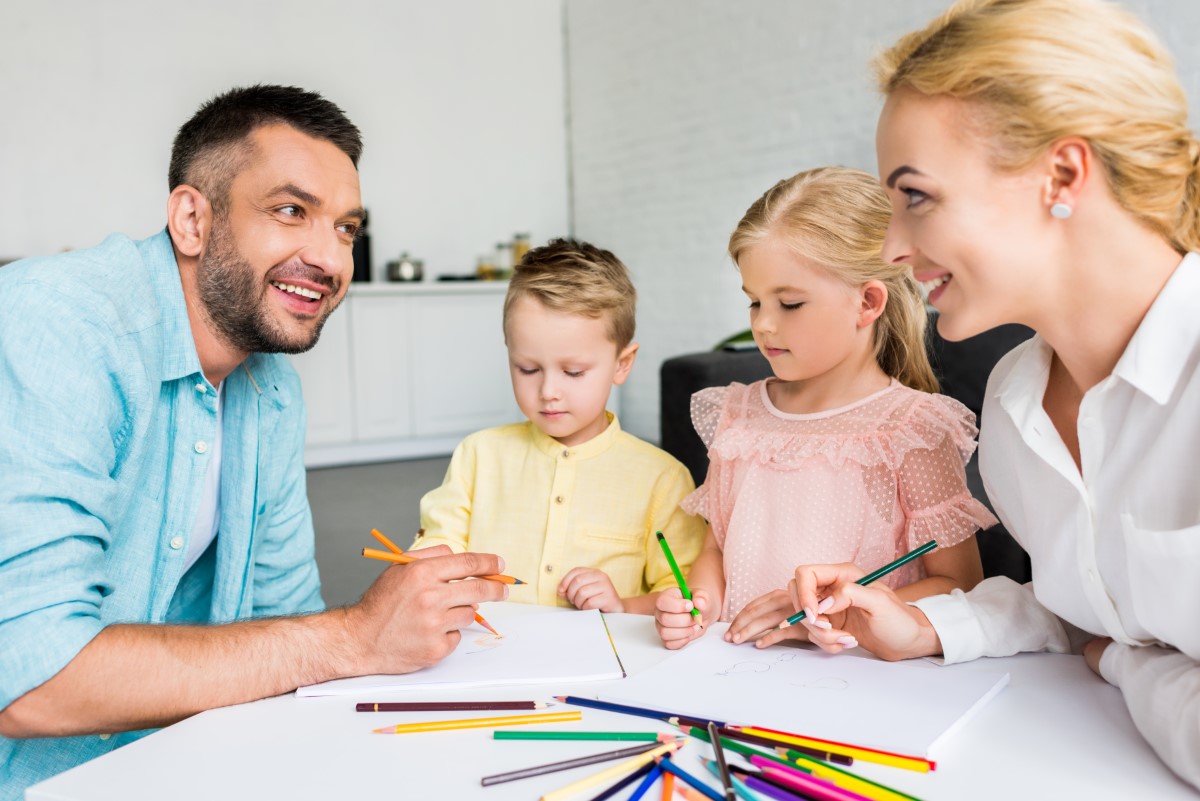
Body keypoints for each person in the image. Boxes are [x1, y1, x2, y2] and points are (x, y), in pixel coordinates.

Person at [0, 85, 507, 798]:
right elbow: (30, 679)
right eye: (291, 211)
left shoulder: (270, 388)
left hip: (180, 761)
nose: (329, 260)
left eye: (346, 229)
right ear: (191, 218)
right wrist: (357, 635)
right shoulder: (56, 327)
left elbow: (283, 620)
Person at [784, 0, 1200, 790]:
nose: (893, 249)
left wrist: (1128, 666)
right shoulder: (1013, 405)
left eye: (917, 196)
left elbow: (1121, 643)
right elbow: (1102, 606)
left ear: (1063, 174)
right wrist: (923, 626)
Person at [655, 167, 994, 651]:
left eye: (790, 304)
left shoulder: (911, 429)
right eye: (754, 303)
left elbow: (960, 589)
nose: (764, 326)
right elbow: (715, 546)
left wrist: (841, 614)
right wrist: (700, 602)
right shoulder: (738, 415)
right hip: (735, 666)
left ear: (867, 302)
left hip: (857, 678)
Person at [411, 238, 706, 614]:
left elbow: (681, 594)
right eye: (528, 369)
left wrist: (622, 604)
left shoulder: (662, 479)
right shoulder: (478, 455)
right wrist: (431, 566)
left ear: (622, 363)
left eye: (573, 372)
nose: (549, 391)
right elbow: (440, 544)